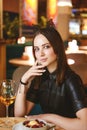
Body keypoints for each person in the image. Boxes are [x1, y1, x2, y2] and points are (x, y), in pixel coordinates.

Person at [14, 21, 87, 130]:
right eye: (37, 49)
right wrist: (23, 81)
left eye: (46, 47)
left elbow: (84, 125)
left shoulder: (71, 79)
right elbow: (19, 115)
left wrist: (47, 117)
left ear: (57, 49)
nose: (41, 54)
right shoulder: (40, 77)